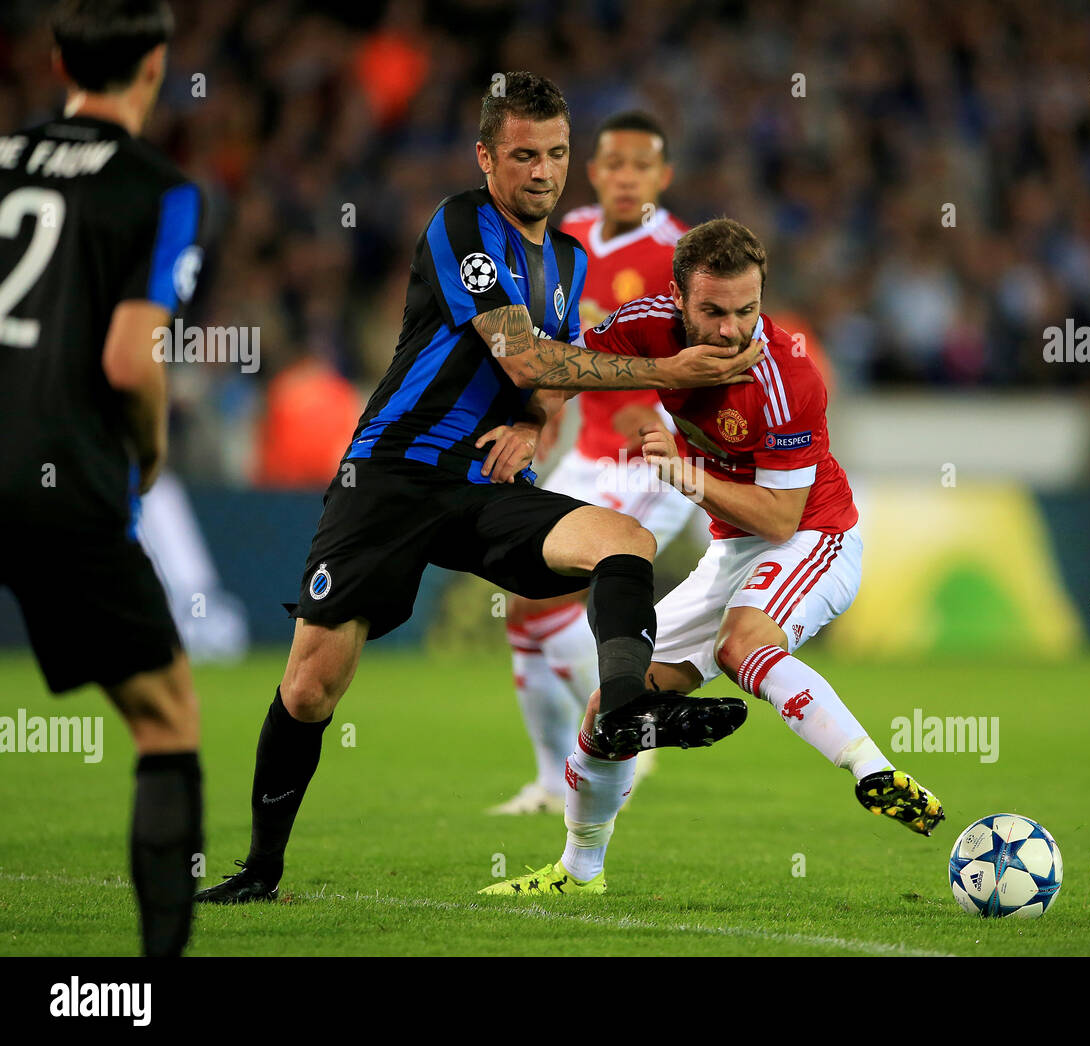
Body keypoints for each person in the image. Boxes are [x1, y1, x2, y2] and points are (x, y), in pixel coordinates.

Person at [196, 73, 763, 904]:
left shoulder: (566, 260)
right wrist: (666, 367)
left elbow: (550, 382)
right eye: (524, 154)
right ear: (487, 157)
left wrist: (535, 426)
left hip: (483, 482)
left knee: (626, 541)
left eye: (557, 154)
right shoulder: (462, 224)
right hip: (391, 475)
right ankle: (260, 869)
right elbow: (525, 356)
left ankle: (623, 710)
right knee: (313, 684)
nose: (543, 171)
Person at [481, 219, 944, 896]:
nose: (732, 331)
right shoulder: (645, 324)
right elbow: (562, 370)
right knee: (611, 713)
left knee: (740, 645)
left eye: (746, 311)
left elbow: (780, 517)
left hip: (813, 539)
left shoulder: (789, 378)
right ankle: (579, 873)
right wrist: (530, 422)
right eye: (714, 312)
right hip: (732, 550)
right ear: (676, 299)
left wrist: (686, 477)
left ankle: (872, 770)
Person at [0, 0, 204, 955]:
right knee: (165, 718)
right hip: (62, 474)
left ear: (57, 58)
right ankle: (156, 983)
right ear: (157, 65)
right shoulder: (156, 189)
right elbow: (129, 361)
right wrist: (150, 449)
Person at [492, 110, 698, 815]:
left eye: (642, 167)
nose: (625, 177)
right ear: (594, 169)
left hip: (652, 459)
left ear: (662, 177)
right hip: (587, 451)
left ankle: (621, 736)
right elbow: (558, 342)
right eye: (614, 164)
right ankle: (553, 779)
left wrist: (670, 414)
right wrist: (540, 413)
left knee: (553, 604)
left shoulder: (679, 255)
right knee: (523, 609)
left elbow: (700, 361)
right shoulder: (568, 235)